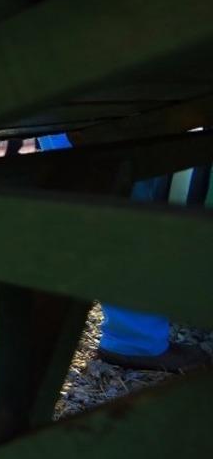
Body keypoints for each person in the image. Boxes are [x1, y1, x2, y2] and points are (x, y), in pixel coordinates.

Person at [36, 134, 211, 373]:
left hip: (86, 121)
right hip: (95, 126)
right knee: (123, 199)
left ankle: (136, 335)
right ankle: (135, 340)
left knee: (129, 188)